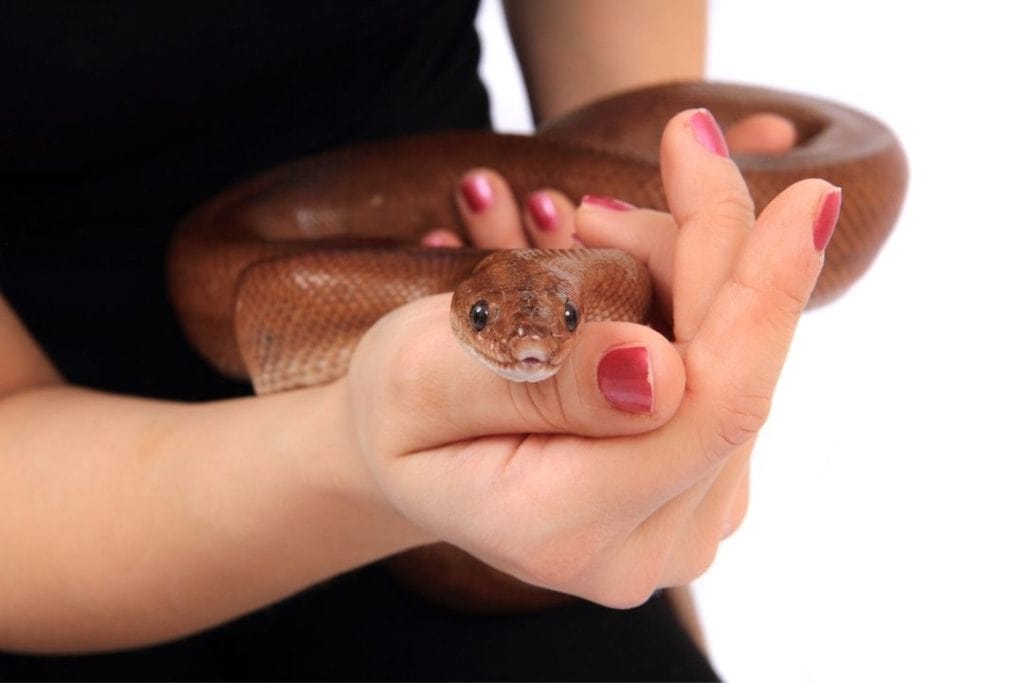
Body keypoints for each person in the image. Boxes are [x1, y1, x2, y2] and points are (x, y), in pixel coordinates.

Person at [0, 1, 835, 679]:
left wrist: (642, 188)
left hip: (452, 263)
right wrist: (358, 453)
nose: (531, 347)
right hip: (52, 491)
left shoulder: (529, 306)